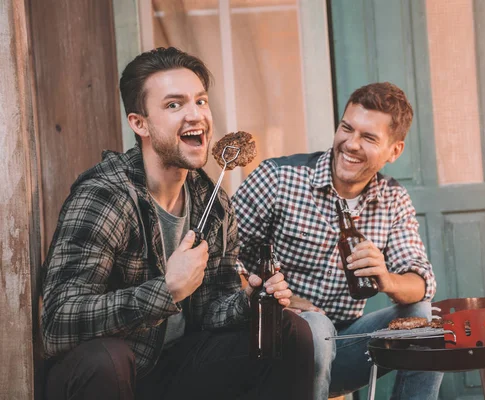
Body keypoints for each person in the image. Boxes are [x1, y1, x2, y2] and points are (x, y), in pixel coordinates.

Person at [41, 47, 313, 400]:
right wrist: (167, 291)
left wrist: (248, 298)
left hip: (175, 369)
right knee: (107, 359)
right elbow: (59, 322)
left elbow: (213, 308)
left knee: (288, 330)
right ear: (140, 123)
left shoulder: (210, 202)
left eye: (200, 101)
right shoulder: (106, 196)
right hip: (109, 375)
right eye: (174, 105)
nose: (195, 115)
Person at [232, 82, 444, 399]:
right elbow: (220, 260)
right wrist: (282, 301)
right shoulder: (278, 178)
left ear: (394, 151)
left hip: (343, 344)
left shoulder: (393, 198)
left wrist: (386, 279)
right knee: (315, 327)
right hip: (272, 341)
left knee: (424, 319)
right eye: (347, 128)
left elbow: (421, 282)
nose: (351, 144)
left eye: (369, 137)